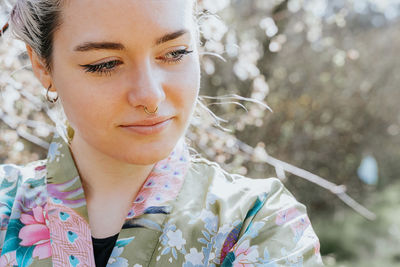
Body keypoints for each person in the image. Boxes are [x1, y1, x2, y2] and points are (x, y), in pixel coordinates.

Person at [0, 0, 324, 266]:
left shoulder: (260, 223)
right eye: (105, 64)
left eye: (175, 53)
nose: (150, 95)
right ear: (43, 67)